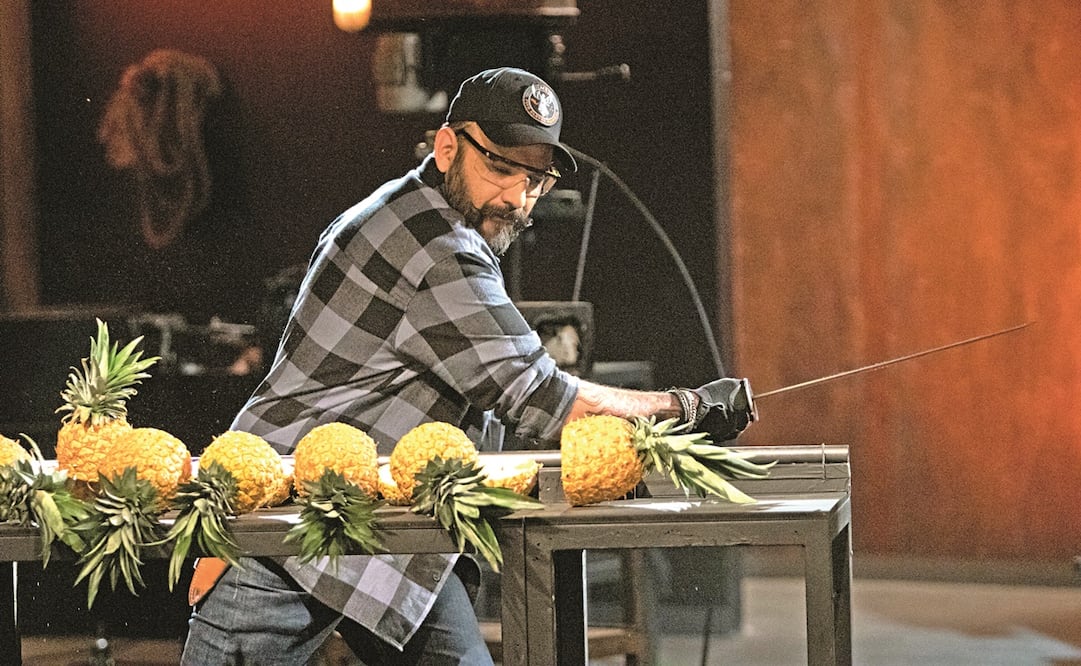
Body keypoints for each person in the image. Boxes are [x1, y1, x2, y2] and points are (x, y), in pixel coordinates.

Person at [180, 66, 755, 665]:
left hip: (377, 536)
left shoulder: (411, 209)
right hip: (284, 535)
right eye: (500, 167)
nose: (516, 197)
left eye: (535, 179)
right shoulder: (437, 246)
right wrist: (688, 408)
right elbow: (544, 399)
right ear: (448, 146)